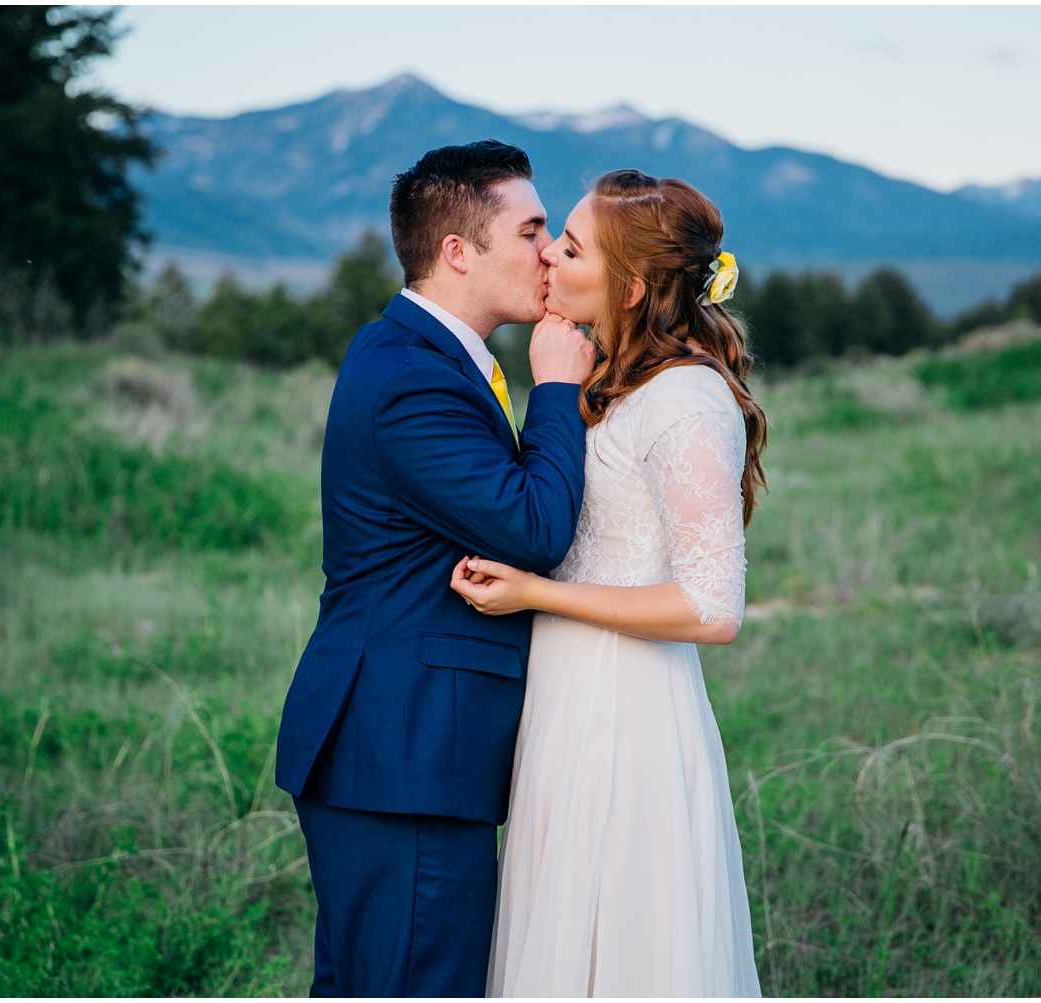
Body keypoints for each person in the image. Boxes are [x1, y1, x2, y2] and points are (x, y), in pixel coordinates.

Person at [273, 140, 595, 997]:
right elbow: (531, 526)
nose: (550, 251)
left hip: (404, 750)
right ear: (458, 250)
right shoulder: (411, 376)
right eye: (531, 230)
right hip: (402, 751)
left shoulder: (432, 358)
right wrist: (558, 389)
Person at [450, 170, 768, 997]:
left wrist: (537, 594)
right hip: (566, 708)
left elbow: (713, 606)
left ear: (629, 287)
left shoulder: (687, 400)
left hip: (629, 718)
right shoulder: (604, 383)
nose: (548, 254)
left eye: (572, 245)